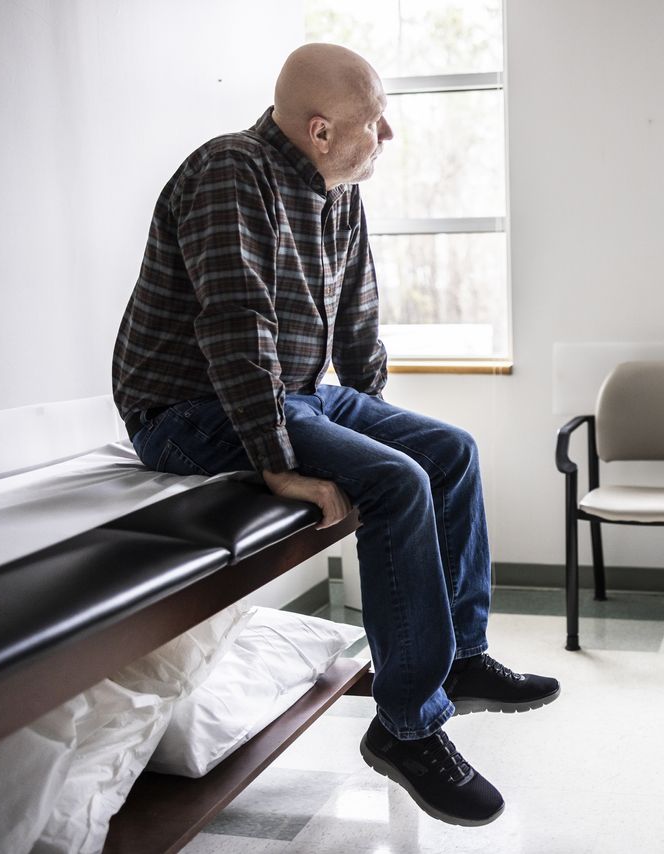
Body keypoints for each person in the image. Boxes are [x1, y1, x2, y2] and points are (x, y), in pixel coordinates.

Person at [112, 42, 557, 827]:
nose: (387, 136)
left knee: (447, 454)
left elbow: (355, 331)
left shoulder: (337, 190)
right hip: (190, 410)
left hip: (295, 394)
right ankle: (407, 728)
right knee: (398, 484)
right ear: (320, 130)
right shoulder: (230, 172)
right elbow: (234, 328)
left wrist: (377, 424)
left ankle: (459, 655)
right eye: (374, 121)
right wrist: (280, 465)